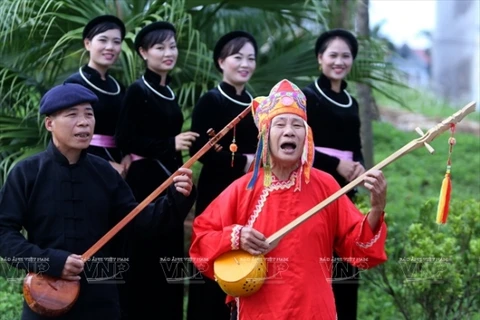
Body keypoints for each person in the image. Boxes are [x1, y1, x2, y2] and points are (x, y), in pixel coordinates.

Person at [189, 79, 388, 320]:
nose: (289, 131)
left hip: (313, 309)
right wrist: (235, 237)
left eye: (297, 125)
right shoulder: (243, 190)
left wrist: (377, 208)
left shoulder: (325, 186)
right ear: (265, 135)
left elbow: (357, 247)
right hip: (258, 310)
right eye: (280, 124)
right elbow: (202, 239)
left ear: (306, 136)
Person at [0, 83, 195, 320]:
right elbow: (4, 233)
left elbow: (138, 222)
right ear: (49, 123)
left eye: (89, 114)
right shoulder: (27, 173)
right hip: (46, 296)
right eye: (72, 114)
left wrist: (177, 198)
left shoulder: (104, 173)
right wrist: (51, 261)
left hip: (101, 300)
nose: (84, 122)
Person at [115, 21, 197, 320]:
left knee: (170, 252)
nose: (168, 52)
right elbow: (124, 138)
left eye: (172, 46)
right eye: (160, 47)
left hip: (170, 180)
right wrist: (170, 143)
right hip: (144, 181)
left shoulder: (169, 92)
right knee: (145, 255)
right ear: (143, 52)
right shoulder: (137, 91)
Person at [186, 30, 259, 320]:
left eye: (250, 58)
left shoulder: (259, 105)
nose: (245, 64)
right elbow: (202, 151)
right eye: (237, 57)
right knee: (214, 256)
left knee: (247, 255)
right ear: (221, 62)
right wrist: (244, 161)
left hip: (251, 192)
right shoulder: (210, 101)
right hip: (217, 191)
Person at [302, 28, 365, 320]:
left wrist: (361, 167)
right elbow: (296, 144)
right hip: (313, 187)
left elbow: (355, 146)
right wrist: (334, 165)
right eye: (333, 55)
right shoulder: (307, 96)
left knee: (345, 260)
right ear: (319, 58)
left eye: (346, 55)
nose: (339, 61)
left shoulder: (352, 103)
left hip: (346, 193)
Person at [64, 15, 131, 178]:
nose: (110, 47)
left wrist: (128, 155)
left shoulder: (119, 87)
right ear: (87, 44)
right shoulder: (74, 84)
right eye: (103, 40)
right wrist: (105, 164)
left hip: (121, 164)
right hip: (85, 164)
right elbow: (67, 133)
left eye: (116, 42)